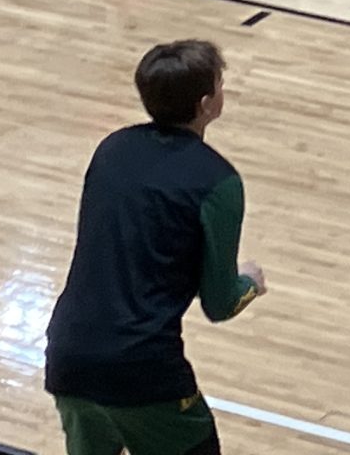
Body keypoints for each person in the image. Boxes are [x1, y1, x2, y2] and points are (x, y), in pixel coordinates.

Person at [44, 39, 263, 455]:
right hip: (143, 368)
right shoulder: (218, 181)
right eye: (220, 84)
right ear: (206, 104)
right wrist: (249, 283)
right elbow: (219, 304)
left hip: (68, 355)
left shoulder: (112, 149)